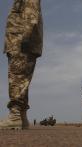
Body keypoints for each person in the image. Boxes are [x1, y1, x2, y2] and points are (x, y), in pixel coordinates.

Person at [0, 0, 43, 130]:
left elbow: (31, 13)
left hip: (20, 40)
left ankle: (14, 116)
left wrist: (25, 37)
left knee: (17, 77)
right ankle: (22, 117)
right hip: (22, 40)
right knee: (22, 79)